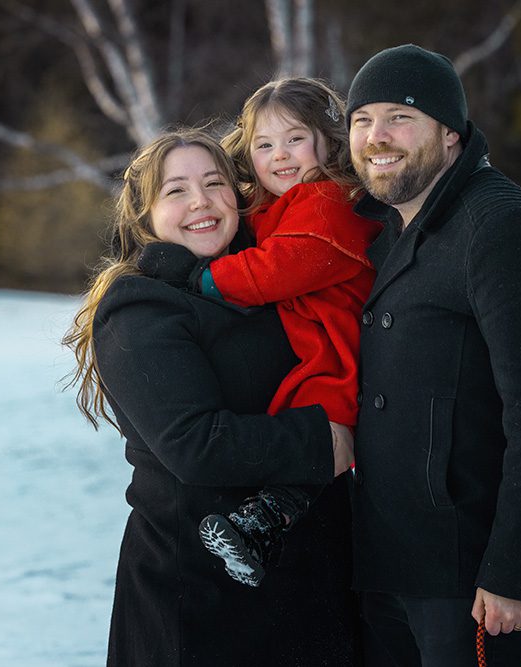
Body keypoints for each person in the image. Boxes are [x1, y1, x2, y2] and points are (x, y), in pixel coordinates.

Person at [63, 127, 360, 666]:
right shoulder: (139, 310)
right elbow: (194, 444)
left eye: (214, 182)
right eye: (175, 190)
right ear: (144, 214)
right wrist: (325, 440)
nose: (200, 201)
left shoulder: (266, 277)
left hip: (310, 585)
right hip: (199, 600)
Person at [344, 44, 521, 666]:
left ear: (450, 133)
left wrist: (519, 570)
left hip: (469, 581)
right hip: (386, 566)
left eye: (400, 116)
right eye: (362, 119)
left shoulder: (502, 227)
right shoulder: (383, 227)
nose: (377, 137)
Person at [136, 78, 381, 587]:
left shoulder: (329, 203)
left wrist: (199, 278)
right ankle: (263, 524)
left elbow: (274, 269)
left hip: (335, 346)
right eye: (264, 145)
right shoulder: (279, 203)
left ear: (327, 139)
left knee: (325, 431)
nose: (280, 155)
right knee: (310, 430)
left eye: (295, 139)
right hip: (312, 337)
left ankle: (265, 521)